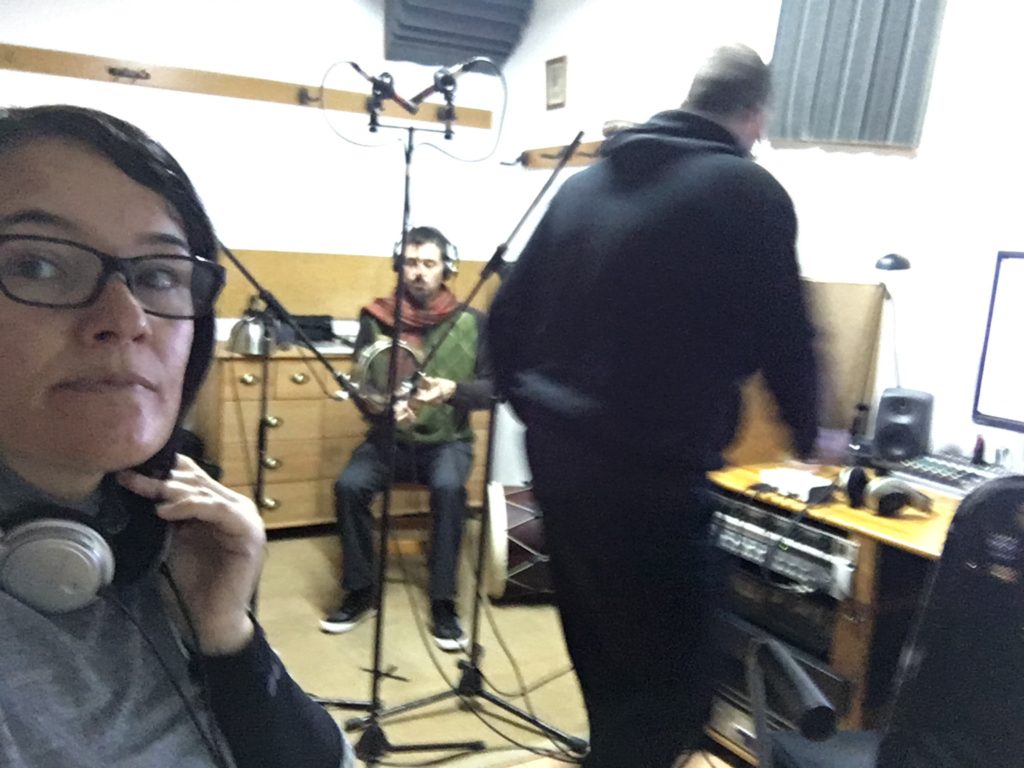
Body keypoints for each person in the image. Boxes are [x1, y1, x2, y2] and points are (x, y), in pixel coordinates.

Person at [488, 45, 820, 768]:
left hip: (560, 460)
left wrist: (536, 411)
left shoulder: (583, 187)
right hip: (650, 472)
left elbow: (505, 317)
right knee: (679, 678)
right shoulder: (748, 191)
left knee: (602, 645)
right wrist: (812, 434)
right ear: (754, 113)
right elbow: (786, 334)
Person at [0, 104, 353, 768]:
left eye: (159, 275)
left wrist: (228, 636)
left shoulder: (149, 533)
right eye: (38, 265)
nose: (126, 317)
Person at [320, 226, 493, 651]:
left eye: (429, 263)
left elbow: (494, 389)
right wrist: (380, 407)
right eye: (412, 262)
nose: (419, 272)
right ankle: (360, 590)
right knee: (349, 487)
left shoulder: (473, 322)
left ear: (446, 269)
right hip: (389, 440)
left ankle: (443, 600)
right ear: (400, 266)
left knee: (450, 490)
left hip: (448, 441)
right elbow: (364, 386)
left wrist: (453, 391)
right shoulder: (376, 318)